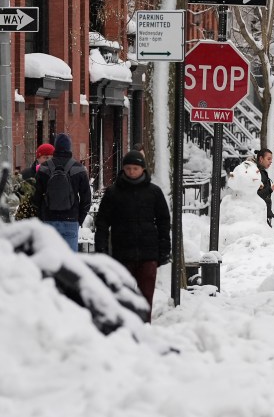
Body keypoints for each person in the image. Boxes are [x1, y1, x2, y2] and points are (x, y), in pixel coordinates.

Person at [94, 150, 171, 323]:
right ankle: (125, 328)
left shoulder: (154, 192)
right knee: (123, 296)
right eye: (128, 168)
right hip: (122, 253)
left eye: (135, 168)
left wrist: (164, 249)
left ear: (142, 169)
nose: (131, 172)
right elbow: (102, 222)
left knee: (146, 298)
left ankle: (144, 327)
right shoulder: (113, 193)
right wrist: (101, 248)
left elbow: (164, 222)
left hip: (148, 253)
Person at [32, 133, 91, 250]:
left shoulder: (44, 168)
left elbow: (36, 197)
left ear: (55, 147)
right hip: (70, 220)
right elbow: (86, 199)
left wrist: (42, 216)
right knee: (69, 262)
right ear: (69, 148)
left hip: (49, 220)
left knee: (50, 261)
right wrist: (78, 219)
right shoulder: (78, 168)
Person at [255, 148, 274, 226]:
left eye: (271, 159)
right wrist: (273, 187)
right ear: (261, 159)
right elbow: (258, 195)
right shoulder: (256, 173)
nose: (271, 161)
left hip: (263, 215)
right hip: (257, 216)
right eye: (268, 159)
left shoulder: (262, 172)